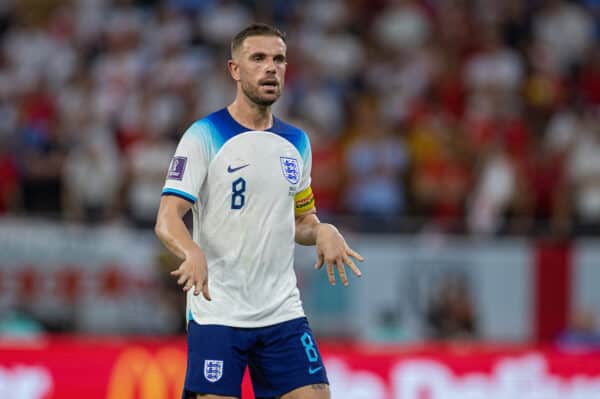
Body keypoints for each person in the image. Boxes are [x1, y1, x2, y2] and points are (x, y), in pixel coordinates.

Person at [154, 23, 364, 399]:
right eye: (259, 59)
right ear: (235, 69)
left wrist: (323, 231)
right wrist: (191, 251)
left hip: (280, 311)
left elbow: (301, 220)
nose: (271, 68)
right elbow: (168, 216)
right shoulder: (204, 135)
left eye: (279, 59)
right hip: (219, 312)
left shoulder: (296, 142)